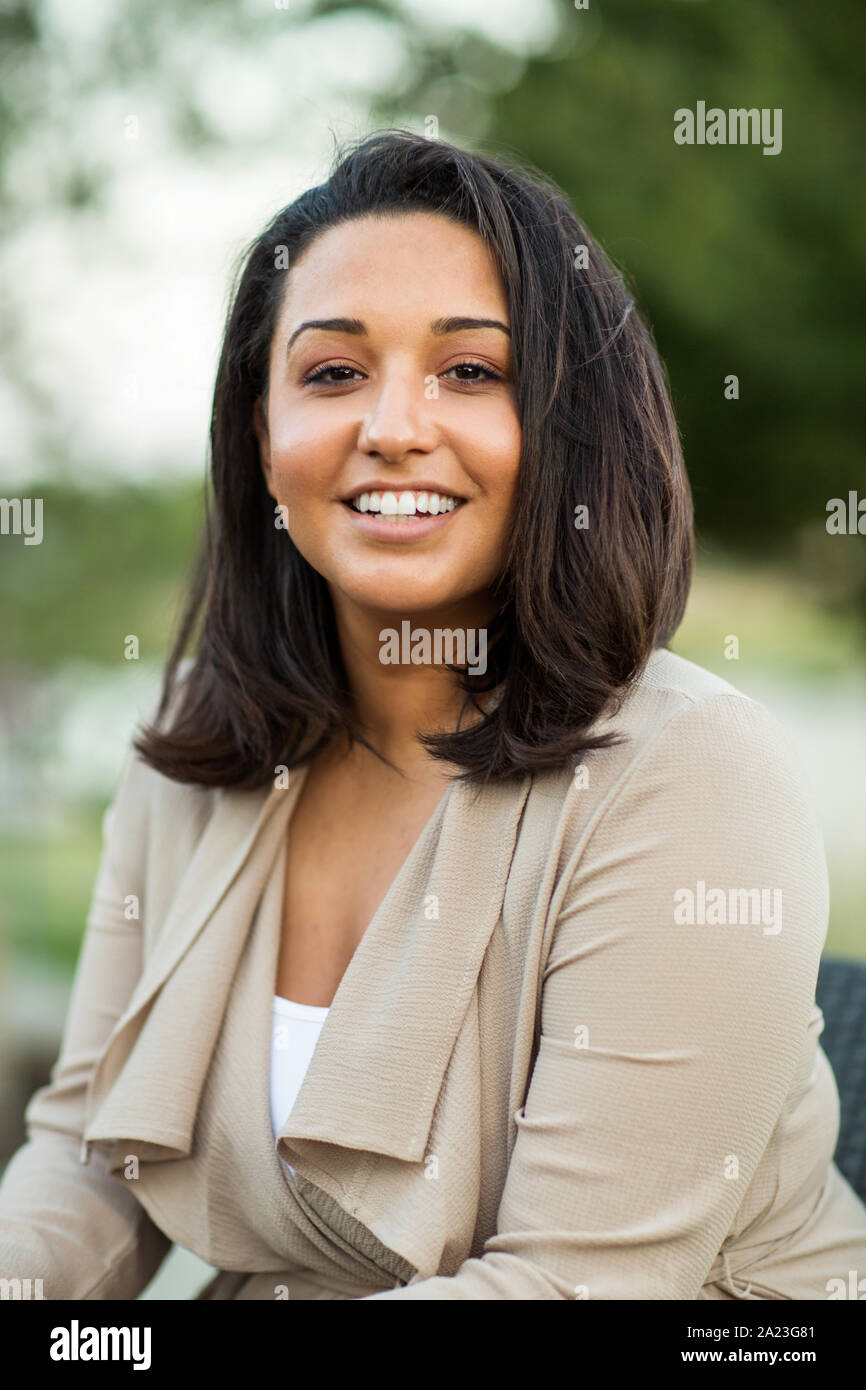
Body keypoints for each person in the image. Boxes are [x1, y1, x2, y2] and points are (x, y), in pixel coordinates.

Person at [2, 129, 865, 1301]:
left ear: (566, 427)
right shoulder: (197, 759)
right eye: (330, 372)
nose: (392, 426)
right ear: (264, 442)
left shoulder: (689, 772)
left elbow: (566, 1287)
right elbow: (89, 1156)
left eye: (470, 371)